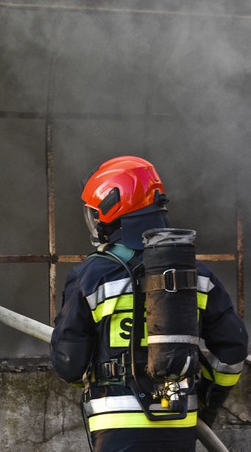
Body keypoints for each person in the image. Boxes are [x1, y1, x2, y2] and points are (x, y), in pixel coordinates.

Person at [51, 155, 248, 452]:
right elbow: (233, 349)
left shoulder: (90, 276)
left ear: (111, 210)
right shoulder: (197, 276)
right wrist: (207, 401)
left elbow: (68, 364)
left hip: (116, 423)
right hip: (180, 419)